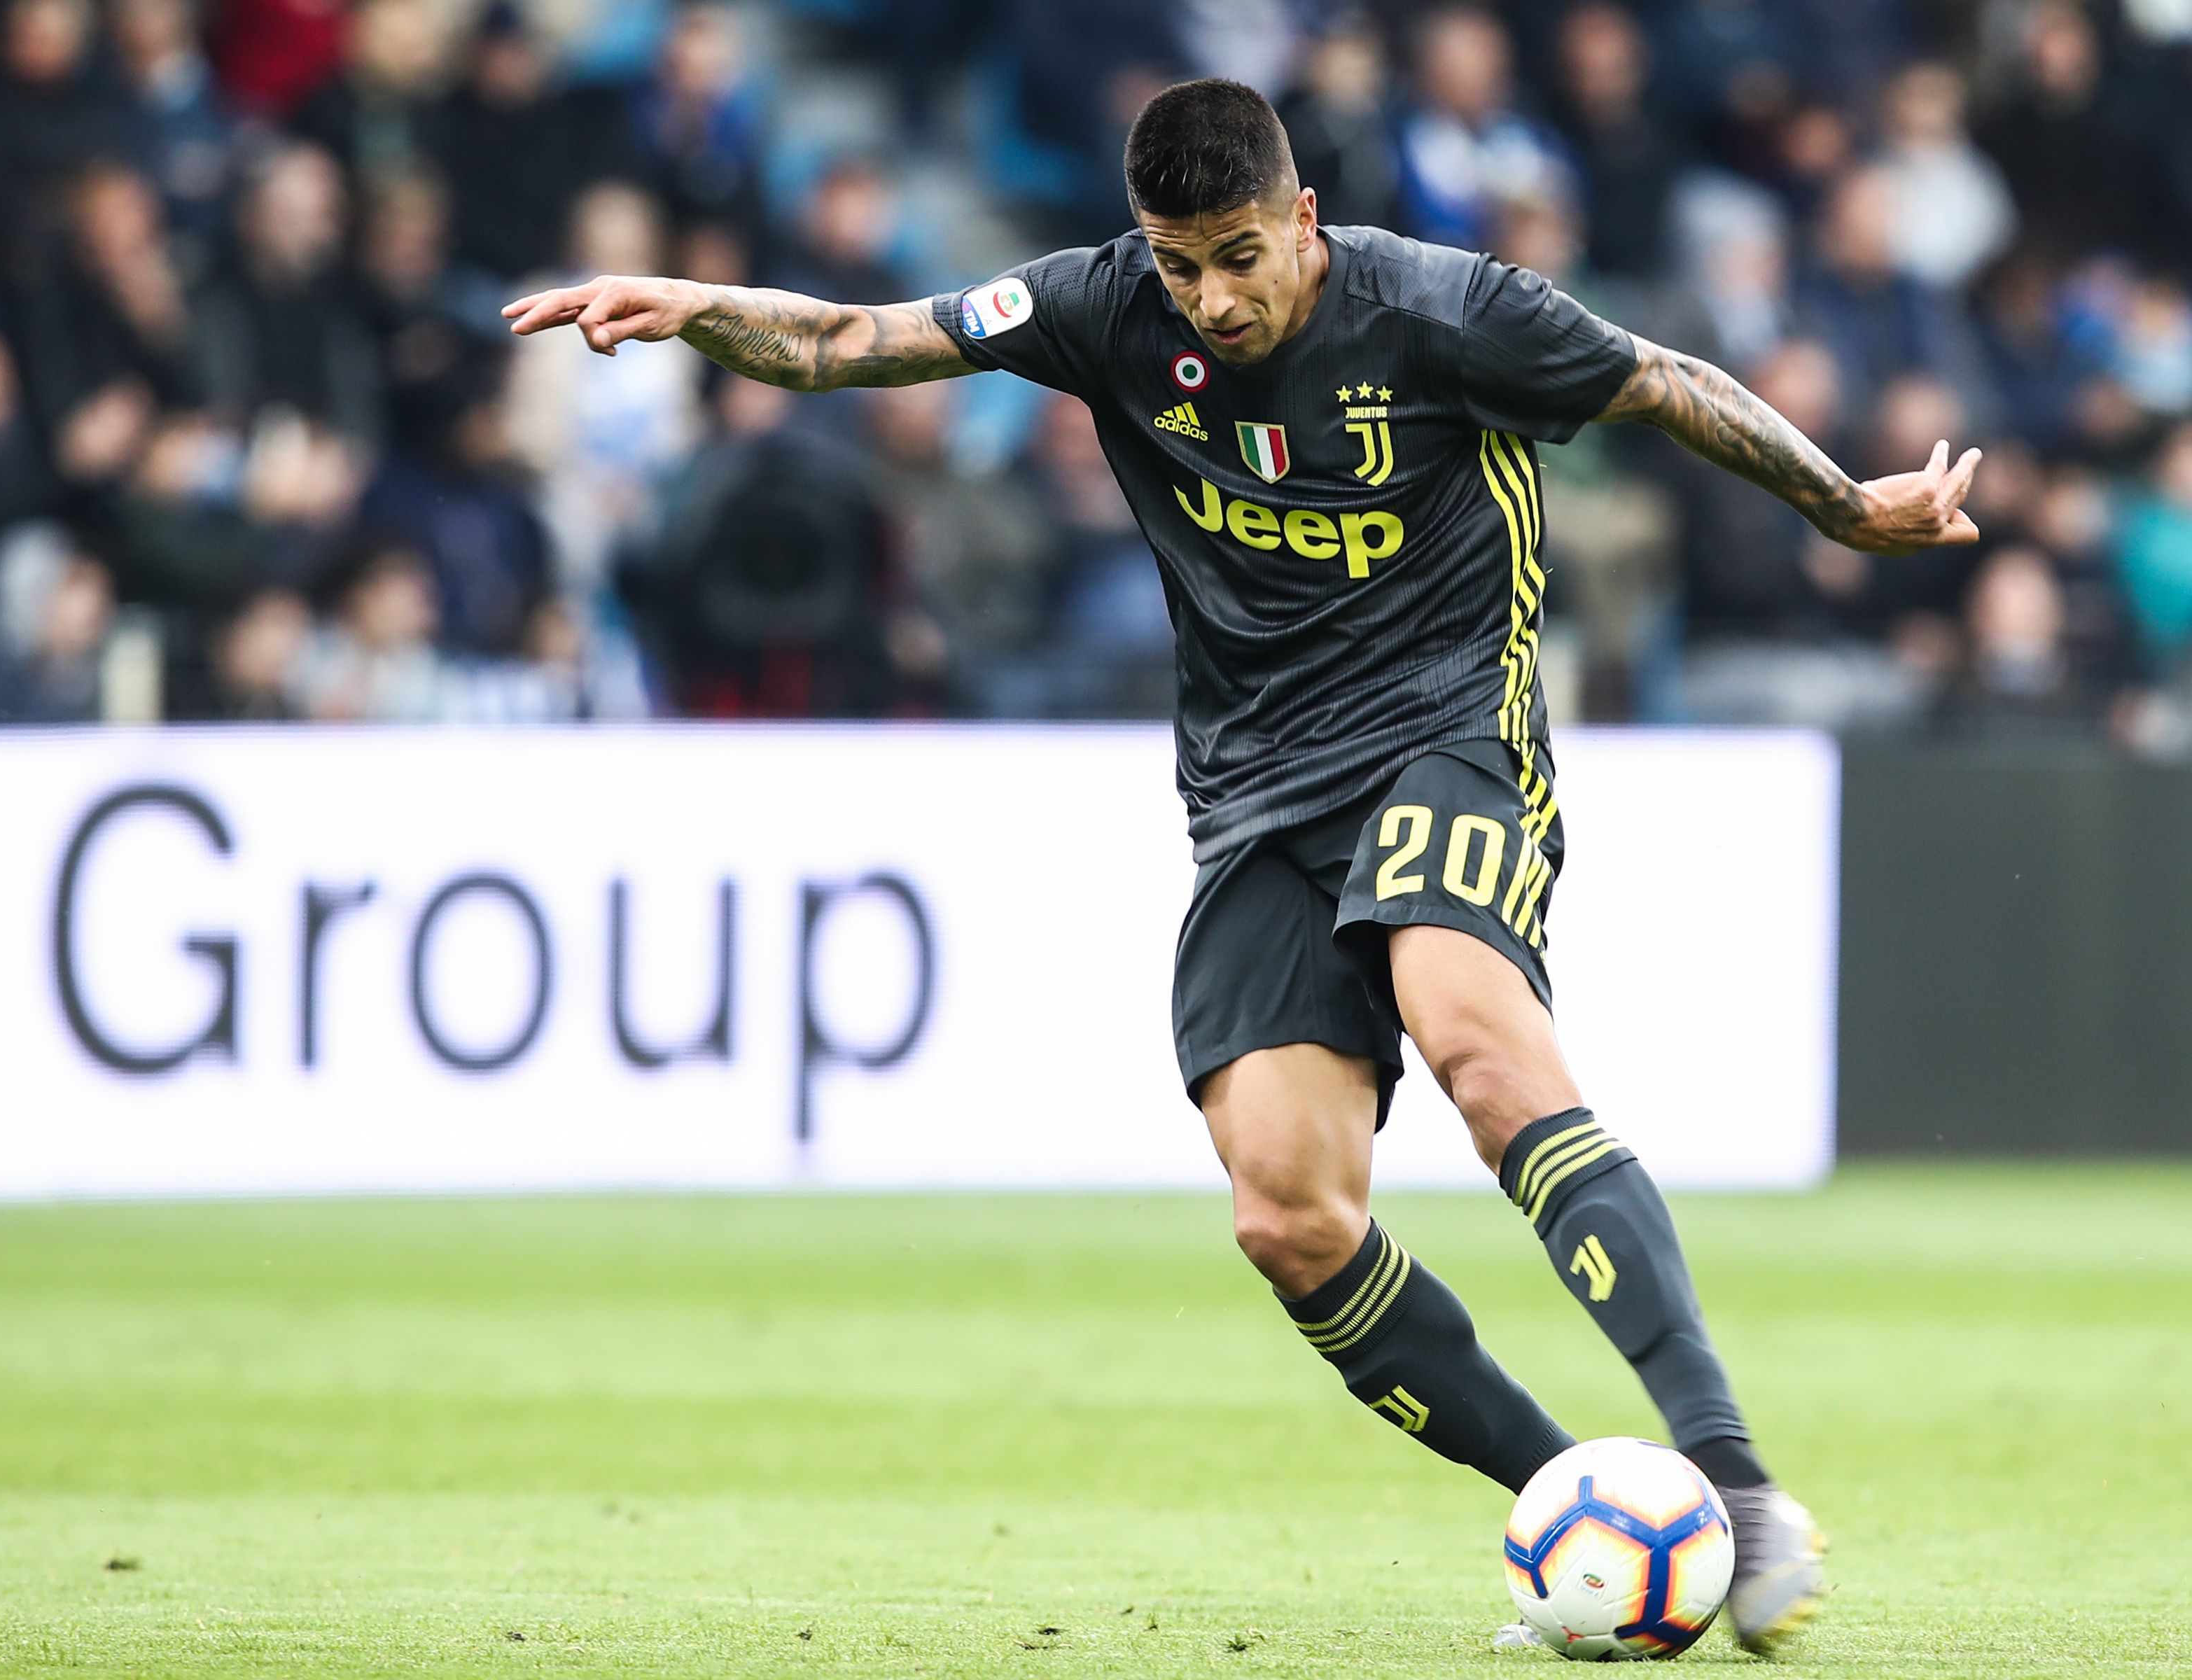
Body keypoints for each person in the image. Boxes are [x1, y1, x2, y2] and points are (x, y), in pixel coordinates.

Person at [505, 76, 1988, 1656]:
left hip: (1447, 732)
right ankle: (1585, 1508)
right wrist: (696, 309)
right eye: (1175, 262)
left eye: (1233, 254)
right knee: (1287, 1213)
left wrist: (1844, 504)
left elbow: (1663, 380)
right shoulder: (1102, 307)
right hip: (1256, 794)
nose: (1207, 295)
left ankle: (1733, 1478)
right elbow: (853, 340)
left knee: (1478, 1041)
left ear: (1300, 218)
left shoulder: (1448, 311)